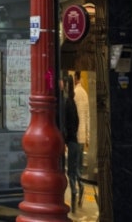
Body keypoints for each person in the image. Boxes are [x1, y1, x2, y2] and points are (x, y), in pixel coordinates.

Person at [63, 75, 80, 213]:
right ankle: (77, 196)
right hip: (74, 140)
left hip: (69, 141)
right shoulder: (72, 102)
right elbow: (77, 120)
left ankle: (74, 197)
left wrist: (66, 138)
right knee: (74, 171)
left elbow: (65, 123)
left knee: (70, 173)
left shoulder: (66, 103)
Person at [73, 71, 90, 206]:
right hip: (83, 135)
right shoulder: (85, 93)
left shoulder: (74, 93)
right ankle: (81, 185)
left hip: (75, 135)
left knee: (73, 167)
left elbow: (73, 116)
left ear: (75, 78)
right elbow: (88, 116)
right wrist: (88, 136)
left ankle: (76, 190)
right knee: (79, 165)